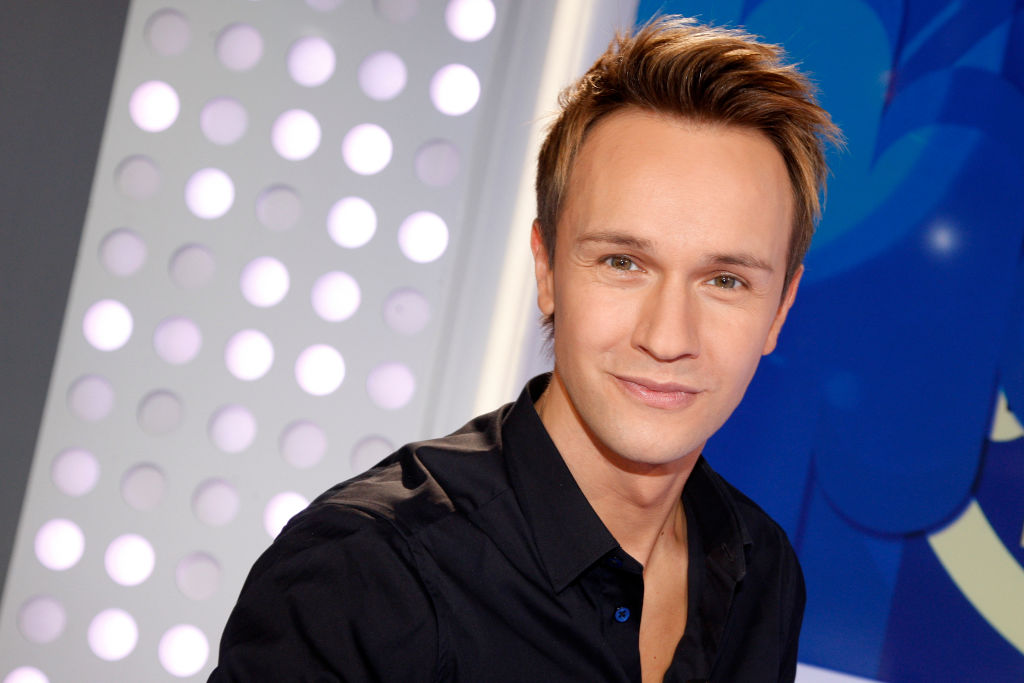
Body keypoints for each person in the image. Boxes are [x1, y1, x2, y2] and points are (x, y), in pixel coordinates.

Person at [210, 16, 840, 683]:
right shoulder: (365, 574)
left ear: (781, 308)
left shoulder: (760, 571)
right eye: (623, 262)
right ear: (546, 269)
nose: (667, 336)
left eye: (725, 280)